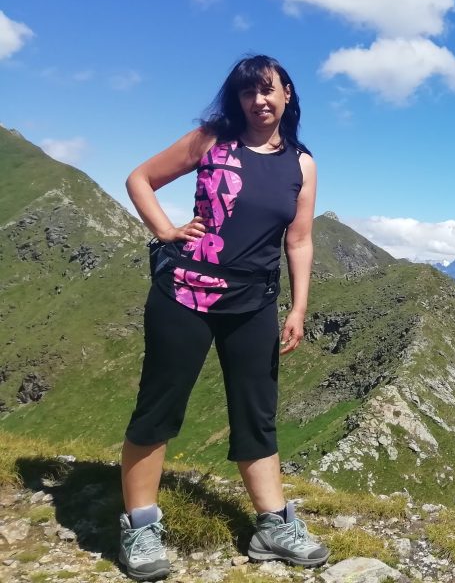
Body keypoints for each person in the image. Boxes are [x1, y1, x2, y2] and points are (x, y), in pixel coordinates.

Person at [118, 55, 328, 581]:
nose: (259, 100)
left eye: (268, 90)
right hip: (183, 294)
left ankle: (272, 526)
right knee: (159, 407)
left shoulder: (301, 164)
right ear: (237, 100)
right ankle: (140, 526)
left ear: (287, 95)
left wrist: (298, 307)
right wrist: (166, 230)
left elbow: (298, 239)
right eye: (247, 92)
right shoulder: (212, 139)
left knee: (257, 413)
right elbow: (140, 178)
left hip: (254, 303)